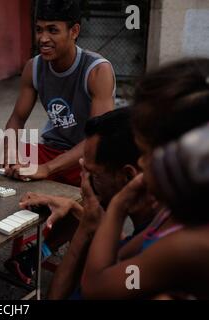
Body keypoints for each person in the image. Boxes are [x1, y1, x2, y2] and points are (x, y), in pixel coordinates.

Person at [81, 58, 209, 300]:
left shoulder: (186, 247)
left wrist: (117, 208)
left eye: (147, 153)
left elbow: (96, 287)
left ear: (188, 159)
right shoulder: (171, 214)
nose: (140, 162)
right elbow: (128, 255)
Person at [5, 108, 156, 297]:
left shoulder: (144, 259)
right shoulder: (157, 223)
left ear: (128, 176)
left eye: (92, 174)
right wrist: (78, 210)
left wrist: (95, 220)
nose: (84, 181)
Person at [2, 0, 115, 186]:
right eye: (39, 30)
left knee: (104, 177)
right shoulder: (33, 67)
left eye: (53, 30)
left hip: (85, 156)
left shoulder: (97, 70)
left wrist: (46, 168)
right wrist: (11, 153)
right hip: (52, 149)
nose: (43, 39)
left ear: (74, 31)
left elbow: (97, 138)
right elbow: (17, 119)